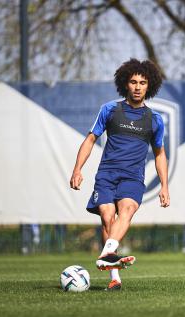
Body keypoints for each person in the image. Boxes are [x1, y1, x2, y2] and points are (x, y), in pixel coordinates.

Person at [70, 58, 170, 291]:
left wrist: (164, 186)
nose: (137, 86)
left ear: (149, 86)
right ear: (125, 83)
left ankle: (107, 257)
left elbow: (160, 154)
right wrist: (77, 169)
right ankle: (113, 272)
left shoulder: (154, 119)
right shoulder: (110, 110)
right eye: (133, 81)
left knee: (126, 210)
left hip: (133, 178)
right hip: (106, 174)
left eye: (142, 82)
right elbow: (91, 139)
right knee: (107, 215)